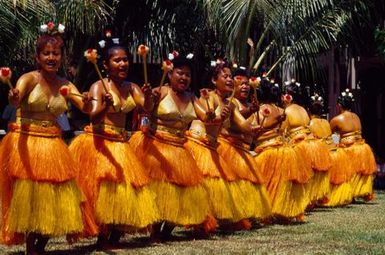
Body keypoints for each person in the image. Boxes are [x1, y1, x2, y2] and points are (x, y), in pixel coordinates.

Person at [0, 23, 97, 254]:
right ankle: (31, 247)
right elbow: (16, 99)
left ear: (62, 58)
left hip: (53, 146)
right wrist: (13, 97)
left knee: (52, 198)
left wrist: (89, 99)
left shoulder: (65, 84)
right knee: (31, 196)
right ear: (38, 57)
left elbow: (85, 107)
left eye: (56, 54)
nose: (51, 57)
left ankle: (39, 247)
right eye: (47, 53)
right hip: (28, 143)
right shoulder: (28, 79)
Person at [68, 39, 159, 249]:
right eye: (117, 60)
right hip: (100, 143)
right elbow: (93, 116)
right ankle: (101, 237)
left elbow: (146, 109)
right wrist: (105, 106)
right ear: (106, 66)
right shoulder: (98, 86)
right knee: (103, 192)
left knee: (125, 191)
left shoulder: (132, 87)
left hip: (121, 143)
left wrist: (149, 98)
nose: (122, 64)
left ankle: (114, 237)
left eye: (125, 60)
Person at [129, 53, 216, 241]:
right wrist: (148, 98)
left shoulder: (192, 97)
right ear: (169, 74)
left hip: (179, 148)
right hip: (156, 146)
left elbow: (206, 117)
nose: (184, 78)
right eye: (180, 73)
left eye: (188, 74)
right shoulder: (160, 91)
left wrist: (212, 114)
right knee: (157, 190)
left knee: (182, 192)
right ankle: (153, 230)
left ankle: (166, 230)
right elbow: (146, 108)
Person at [185, 64, 271, 230]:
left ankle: (210, 220)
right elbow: (205, 117)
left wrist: (255, 128)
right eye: (225, 76)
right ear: (213, 80)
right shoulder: (207, 96)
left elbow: (242, 124)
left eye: (231, 77)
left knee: (217, 186)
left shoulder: (230, 104)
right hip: (198, 144)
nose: (230, 79)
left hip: (212, 145)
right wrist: (216, 116)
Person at [214, 65, 272, 228]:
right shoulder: (226, 100)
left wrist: (254, 128)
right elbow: (234, 123)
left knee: (246, 183)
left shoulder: (235, 104)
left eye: (248, 83)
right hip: (226, 146)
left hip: (241, 148)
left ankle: (240, 214)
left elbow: (241, 122)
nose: (246, 86)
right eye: (242, 83)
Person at [282, 80, 331, 206]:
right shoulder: (306, 112)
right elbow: (334, 137)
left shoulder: (287, 111)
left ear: (287, 96)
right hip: (317, 146)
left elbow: (282, 132)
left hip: (302, 145)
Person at [308, 93, 354, 206]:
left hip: (325, 156)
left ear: (308, 110)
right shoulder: (326, 122)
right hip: (336, 153)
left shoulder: (309, 123)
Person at [330, 89, 376, 202]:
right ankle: (356, 192)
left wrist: (337, 145)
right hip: (363, 147)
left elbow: (332, 136)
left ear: (339, 105)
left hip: (349, 148)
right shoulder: (356, 117)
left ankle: (347, 193)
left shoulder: (336, 119)